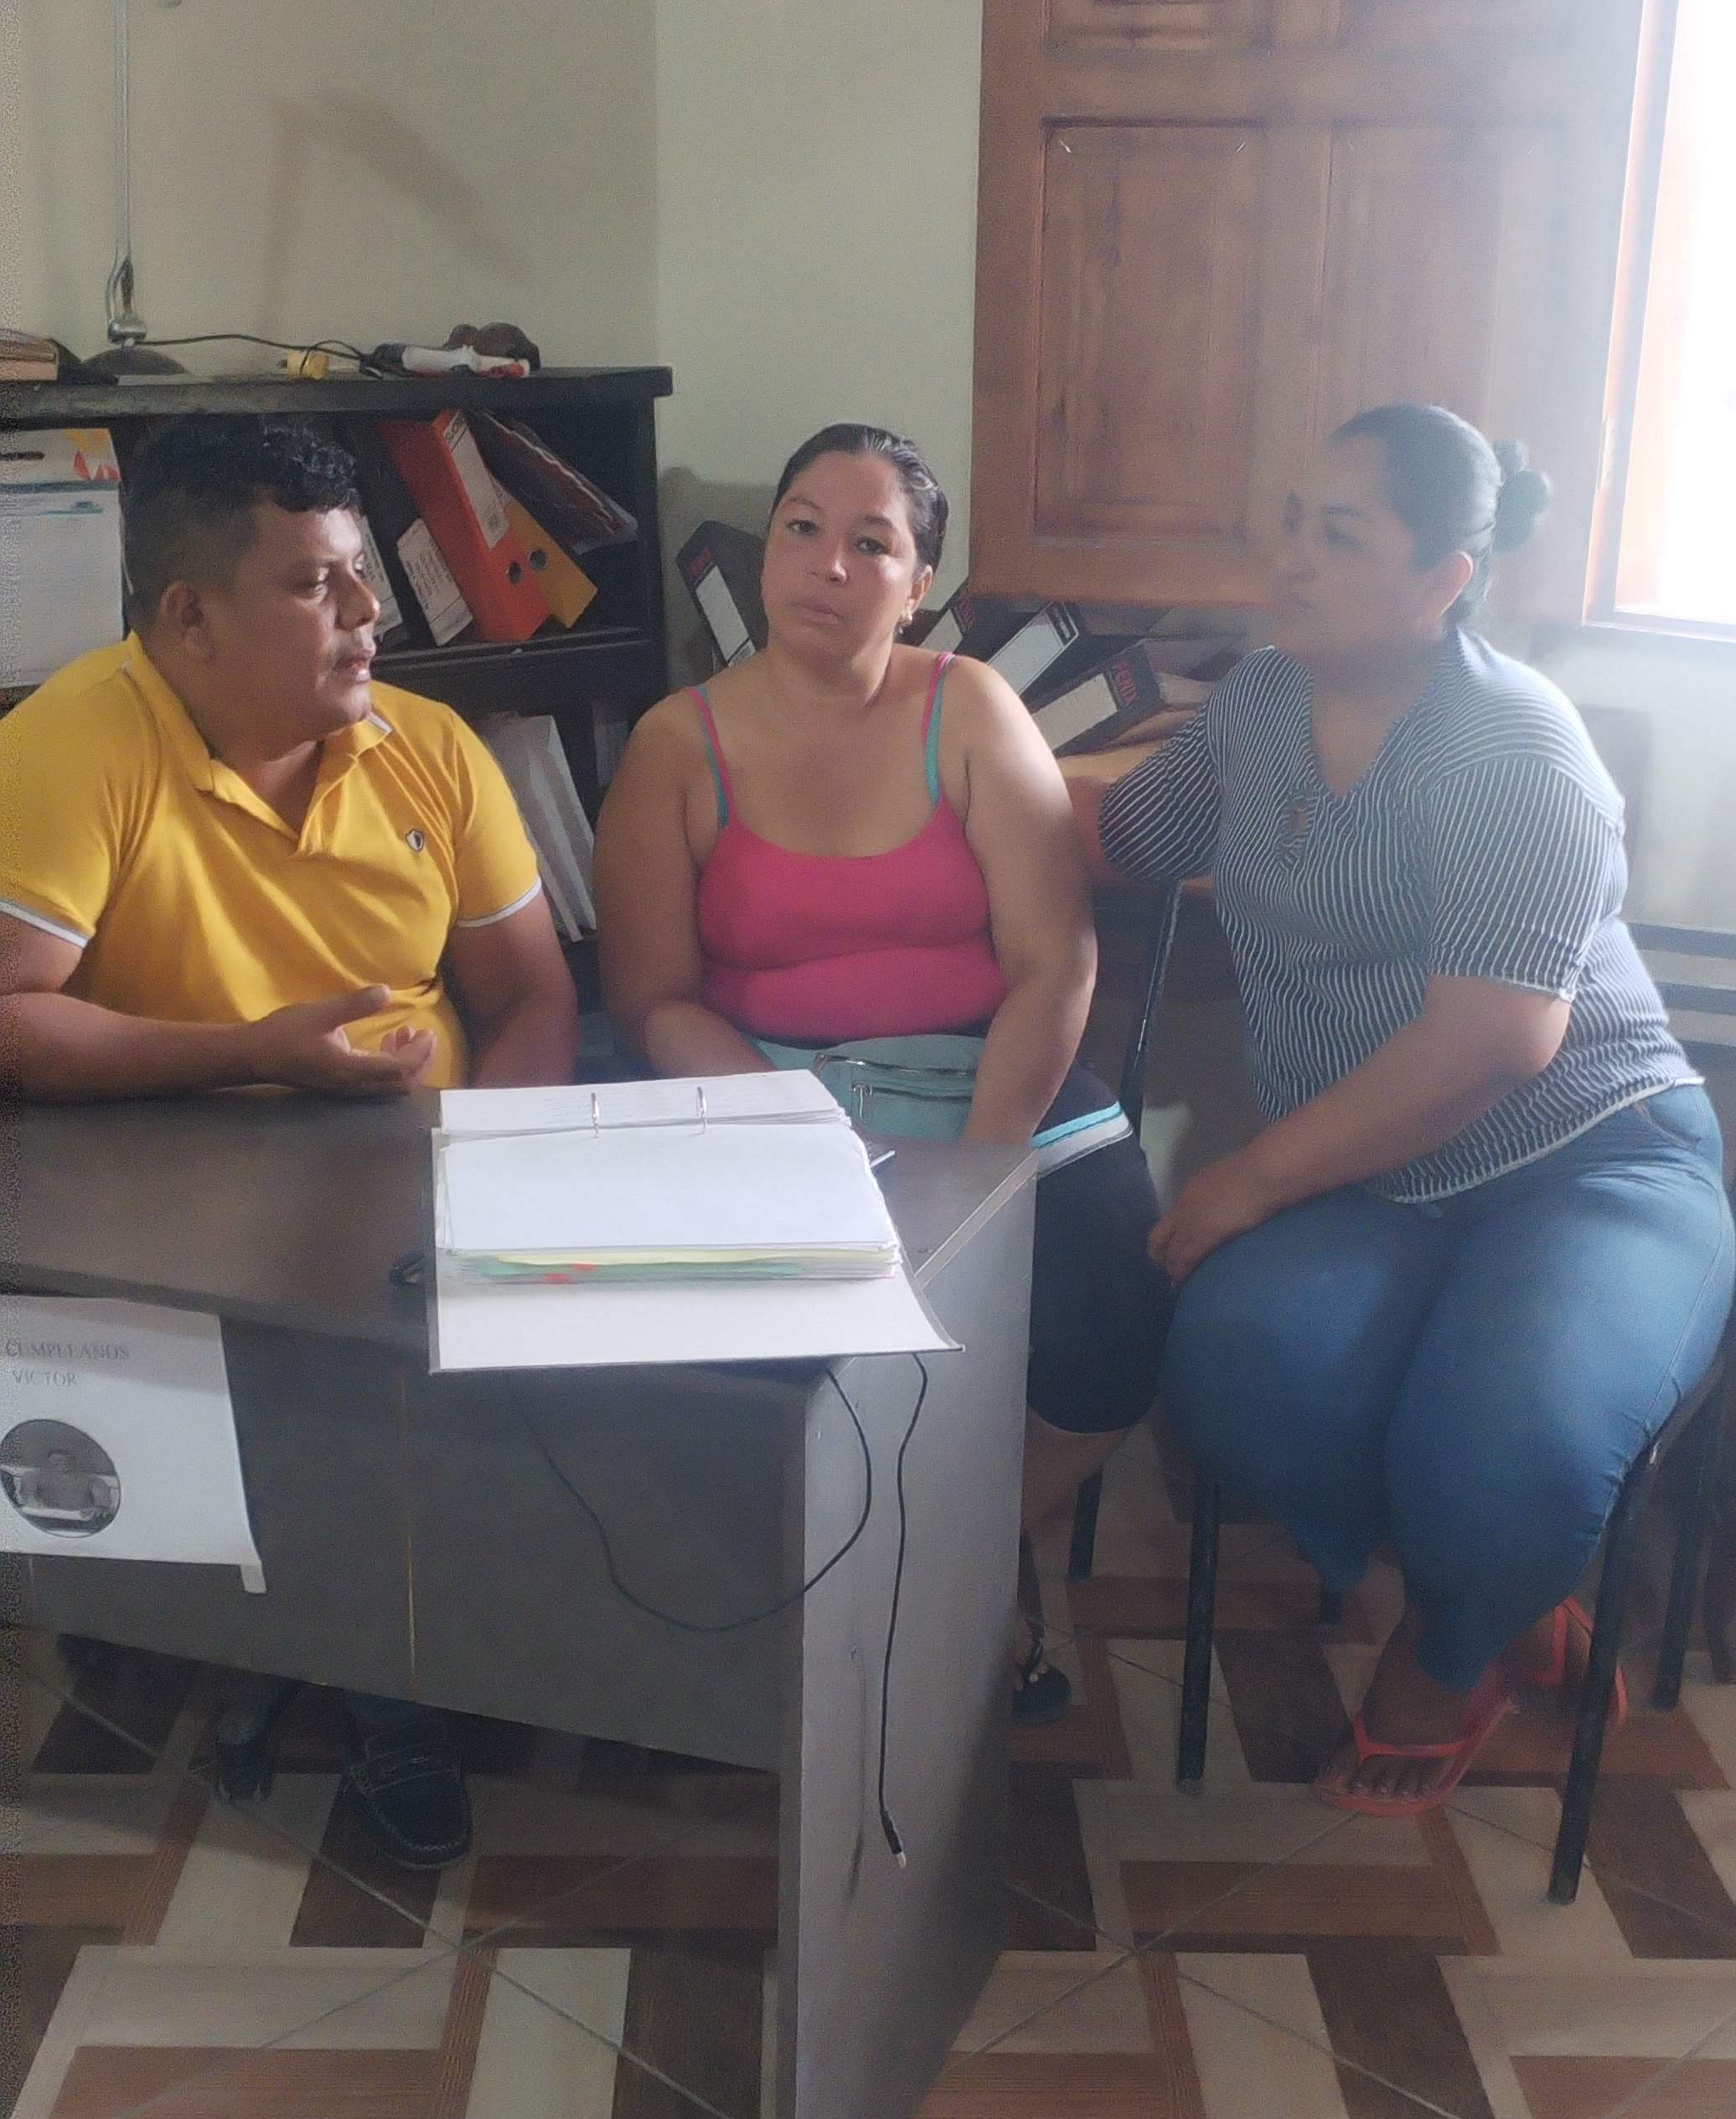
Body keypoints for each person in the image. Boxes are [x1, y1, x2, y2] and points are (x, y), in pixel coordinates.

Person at [1067, 401, 1733, 1810]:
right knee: (1235, 1367)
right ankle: (1500, 1586)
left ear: (1445, 579)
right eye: (1292, 521)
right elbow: (1128, 835)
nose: (1291, 557)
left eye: (1341, 534)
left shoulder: (1515, 748)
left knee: (1515, 1444)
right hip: (1375, 1177)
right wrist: (951, 750)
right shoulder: (1259, 702)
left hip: (1590, 1161)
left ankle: (1453, 1642)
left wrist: (1247, 1179)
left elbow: (1491, 1046)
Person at [0, 411, 579, 1863]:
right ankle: (389, 1690)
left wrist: (490, 1176)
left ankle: (498, 1638)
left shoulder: (429, 750)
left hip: (411, 1176)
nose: (371, 612)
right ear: (188, 617)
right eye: (318, 583)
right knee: (335, 1372)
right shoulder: (72, 745)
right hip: (163, 1186)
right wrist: (258, 1053)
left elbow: (532, 996)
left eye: (362, 570)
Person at [594, 422, 1170, 1708]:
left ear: (918, 586)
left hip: (988, 1081)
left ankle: (950, 1554)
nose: (829, 565)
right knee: (744, 1345)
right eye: (802, 528)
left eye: (872, 543)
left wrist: (980, 1167)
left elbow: (1055, 963)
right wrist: (802, 1136)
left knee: (1116, 1310)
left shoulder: (970, 708)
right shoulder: (677, 742)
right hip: (761, 1092)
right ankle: (802, 1580)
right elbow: (651, 999)